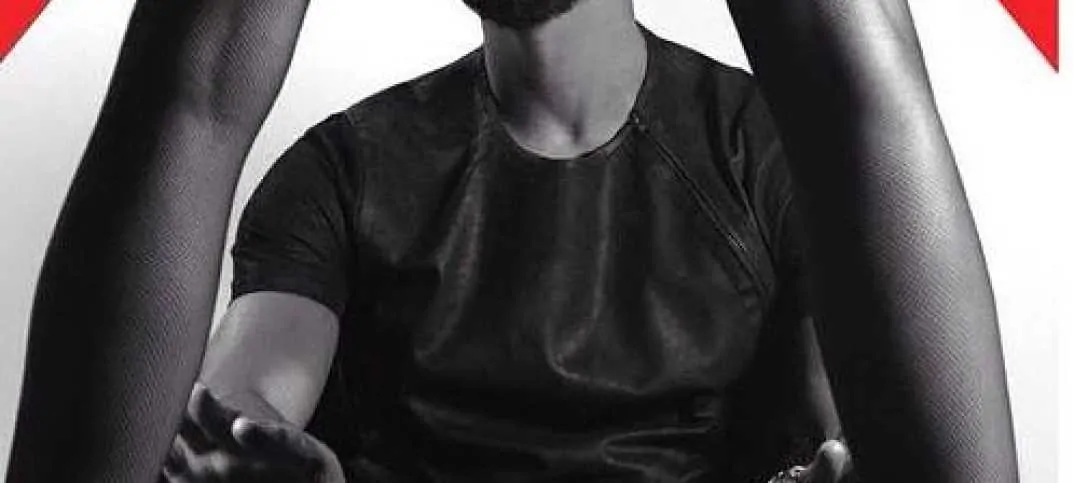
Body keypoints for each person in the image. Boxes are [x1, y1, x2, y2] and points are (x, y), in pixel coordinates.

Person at [161, 1, 852, 482]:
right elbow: (242, 393)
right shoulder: (343, 171)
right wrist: (252, 450)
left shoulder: (778, 153)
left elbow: (851, 418)